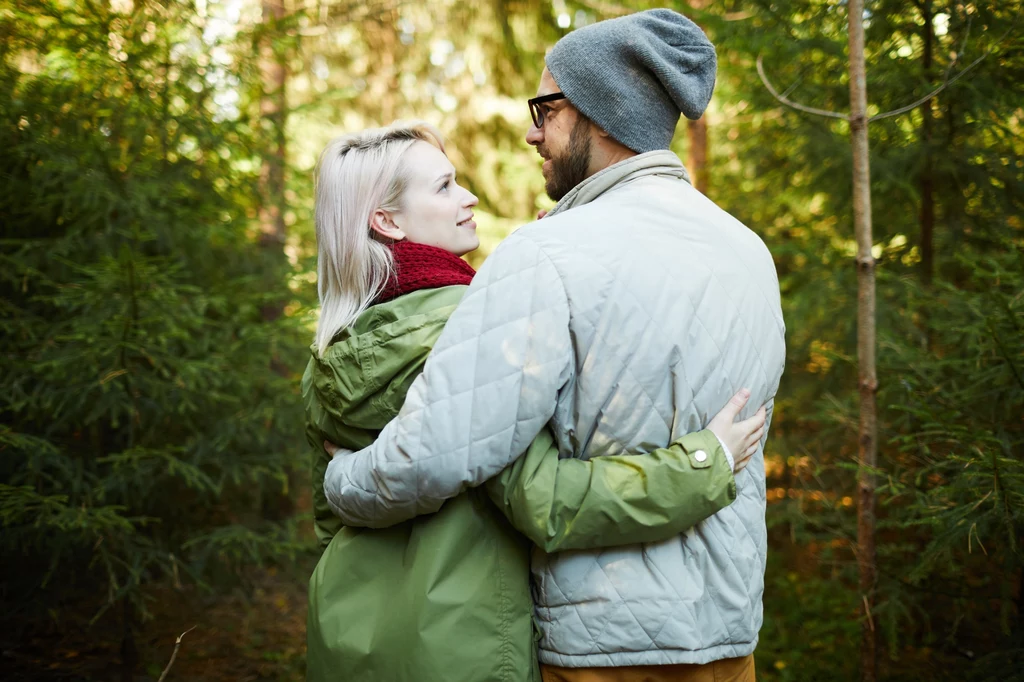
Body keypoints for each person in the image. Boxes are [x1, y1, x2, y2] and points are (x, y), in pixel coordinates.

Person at [323, 9, 786, 682]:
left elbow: (434, 455)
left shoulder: (547, 254)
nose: (532, 131)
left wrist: (342, 480)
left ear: (601, 112)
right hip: (729, 638)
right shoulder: (748, 252)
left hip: (601, 648)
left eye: (546, 108)